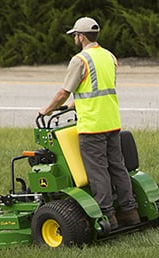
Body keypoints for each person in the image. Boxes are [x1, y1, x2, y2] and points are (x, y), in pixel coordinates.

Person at [39, 17, 140, 229]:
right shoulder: (109, 56)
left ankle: (107, 215)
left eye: (75, 35)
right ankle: (130, 211)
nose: (75, 38)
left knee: (98, 171)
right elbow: (98, 90)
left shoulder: (80, 60)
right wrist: (74, 105)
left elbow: (63, 92)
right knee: (118, 167)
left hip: (92, 127)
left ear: (81, 36)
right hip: (111, 122)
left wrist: (46, 110)